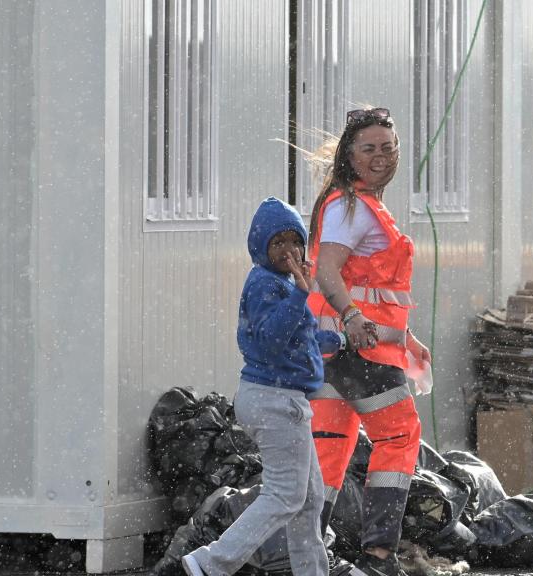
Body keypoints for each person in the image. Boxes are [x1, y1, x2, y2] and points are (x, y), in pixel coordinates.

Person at [182, 197, 341, 576]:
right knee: (286, 495)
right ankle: (210, 562)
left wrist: (338, 342)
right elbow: (271, 339)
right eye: (277, 243)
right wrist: (302, 294)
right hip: (275, 400)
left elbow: (294, 341)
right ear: (260, 248)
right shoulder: (266, 285)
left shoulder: (281, 286)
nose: (288, 251)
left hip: (277, 397)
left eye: (294, 241)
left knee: (308, 500)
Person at [306, 107, 430, 576]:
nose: (380, 157)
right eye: (368, 149)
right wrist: (354, 316)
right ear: (349, 155)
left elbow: (372, 286)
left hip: (329, 349)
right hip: (359, 349)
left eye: (388, 147)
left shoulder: (353, 203)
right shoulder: (351, 207)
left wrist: (408, 338)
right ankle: (379, 554)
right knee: (398, 436)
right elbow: (328, 271)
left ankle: (305, 549)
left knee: (329, 446)